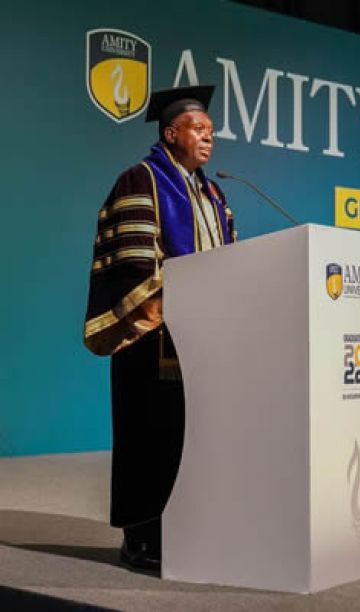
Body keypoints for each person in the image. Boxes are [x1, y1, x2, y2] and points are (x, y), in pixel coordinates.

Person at [83, 86, 235, 571]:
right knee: (151, 437)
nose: (208, 137)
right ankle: (142, 538)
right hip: (153, 336)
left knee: (193, 438)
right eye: (198, 129)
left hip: (205, 339)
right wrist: (173, 300)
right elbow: (132, 260)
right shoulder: (141, 179)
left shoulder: (214, 193)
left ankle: (190, 531)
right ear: (171, 134)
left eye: (211, 130)